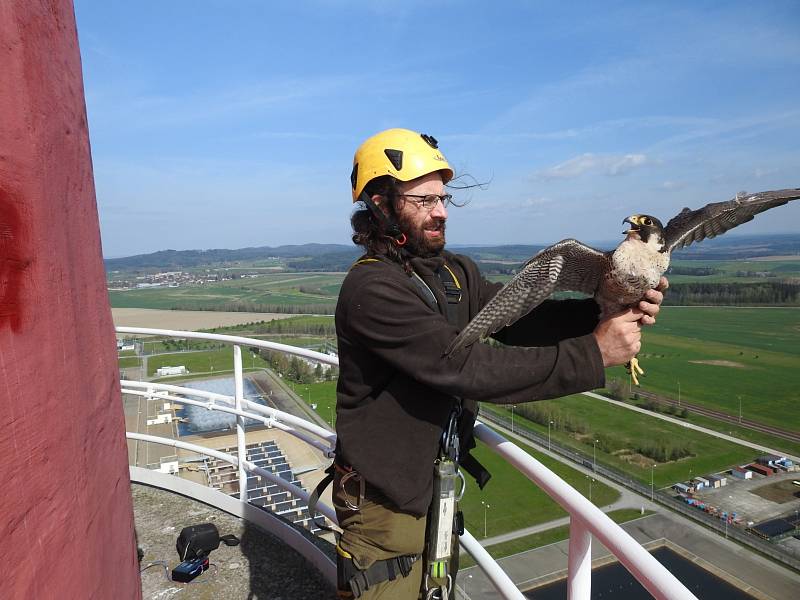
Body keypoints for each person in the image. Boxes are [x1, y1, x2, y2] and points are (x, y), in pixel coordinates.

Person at [332, 128, 665, 599]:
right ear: (381, 204)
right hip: (386, 502)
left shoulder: (454, 272)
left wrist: (607, 310)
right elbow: (468, 368)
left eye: (443, 197)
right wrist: (595, 351)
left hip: (435, 484)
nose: (442, 211)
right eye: (424, 200)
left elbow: (518, 321)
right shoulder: (372, 290)